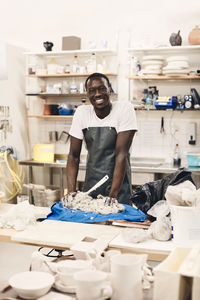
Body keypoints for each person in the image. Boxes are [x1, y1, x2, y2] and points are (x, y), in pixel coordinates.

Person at [65, 72, 137, 205]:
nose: (97, 94)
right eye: (92, 91)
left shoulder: (124, 110)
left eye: (102, 88)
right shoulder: (82, 113)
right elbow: (73, 156)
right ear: (87, 94)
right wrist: (71, 192)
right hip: (91, 188)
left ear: (109, 89)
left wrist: (112, 196)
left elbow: (121, 155)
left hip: (119, 192)